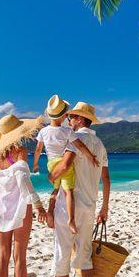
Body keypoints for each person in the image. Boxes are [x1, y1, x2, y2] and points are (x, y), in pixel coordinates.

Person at [48, 102, 110, 277]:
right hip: (89, 207)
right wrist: (104, 207)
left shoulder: (74, 140)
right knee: (85, 255)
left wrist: (51, 176)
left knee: (62, 253)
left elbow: (65, 166)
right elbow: (106, 179)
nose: (68, 121)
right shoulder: (100, 144)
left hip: (69, 208)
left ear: (80, 119)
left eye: (71, 117)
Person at [0, 114, 47, 277]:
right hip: (20, 207)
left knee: (2, 256)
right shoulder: (20, 151)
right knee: (19, 257)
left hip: (0, 208)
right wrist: (38, 205)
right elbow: (23, 179)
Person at [32, 94, 99, 234]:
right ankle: (71, 220)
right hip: (63, 163)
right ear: (63, 116)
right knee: (69, 192)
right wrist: (91, 157)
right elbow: (80, 146)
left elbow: (38, 149)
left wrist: (35, 164)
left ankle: (50, 211)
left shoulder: (43, 131)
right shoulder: (67, 131)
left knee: (55, 190)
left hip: (51, 164)